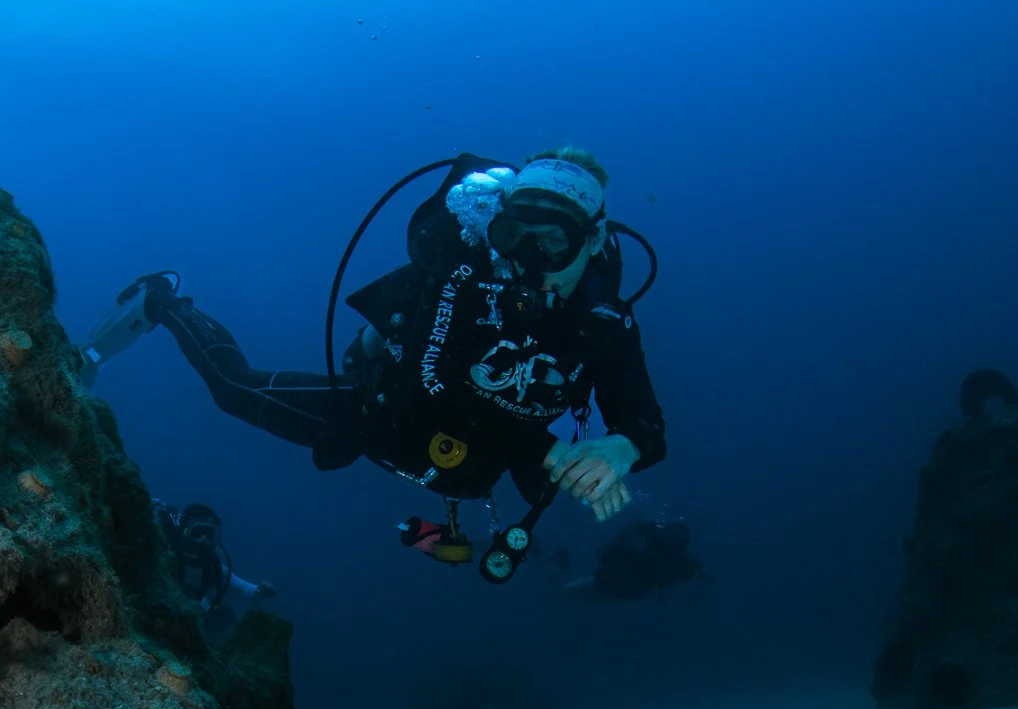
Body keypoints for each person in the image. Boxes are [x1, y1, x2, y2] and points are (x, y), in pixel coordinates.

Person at [84, 148, 668, 580]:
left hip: (474, 458)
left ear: (593, 242)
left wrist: (619, 451)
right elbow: (430, 383)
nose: (528, 259)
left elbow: (644, 422)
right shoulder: (467, 272)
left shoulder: (604, 319)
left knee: (532, 493)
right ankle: (165, 300)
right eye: (515, 234)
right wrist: (552, 450)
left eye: (554, 241)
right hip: (384, 416)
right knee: (235, 389)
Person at [152, 500, 274, 635]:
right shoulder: (160, 554)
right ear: (183, 531)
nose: (203, 540)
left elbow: (243, 589)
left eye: (209, 534)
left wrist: (259, 592)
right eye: (197, 533)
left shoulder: (215, 570)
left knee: (225, 617)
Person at [542, 517, 706, 601]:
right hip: (607, 583)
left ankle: (561, 565)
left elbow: (685, 568)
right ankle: (549, 564)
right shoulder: (658, 548)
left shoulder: (669, 556)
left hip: (615, 589)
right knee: (562, 593)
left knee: (577, 594)